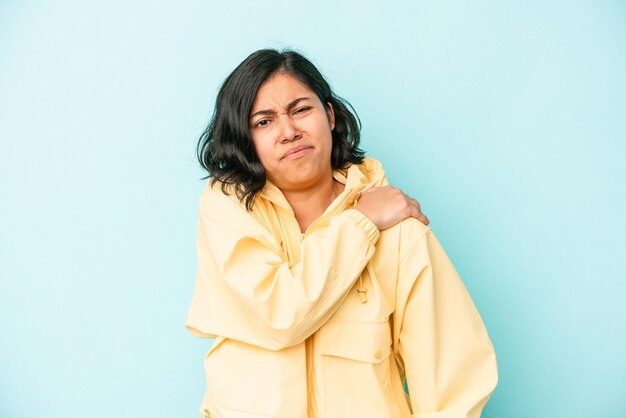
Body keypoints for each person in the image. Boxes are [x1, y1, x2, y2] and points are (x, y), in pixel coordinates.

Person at [186, 48, 498, 418]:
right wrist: (360, 223)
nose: (289, 131)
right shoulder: (227, 209)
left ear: (330, 116)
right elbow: (279, 314)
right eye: (263, 122)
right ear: (244, 139)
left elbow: (454, 378)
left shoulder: (399, 232)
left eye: (301, 110)